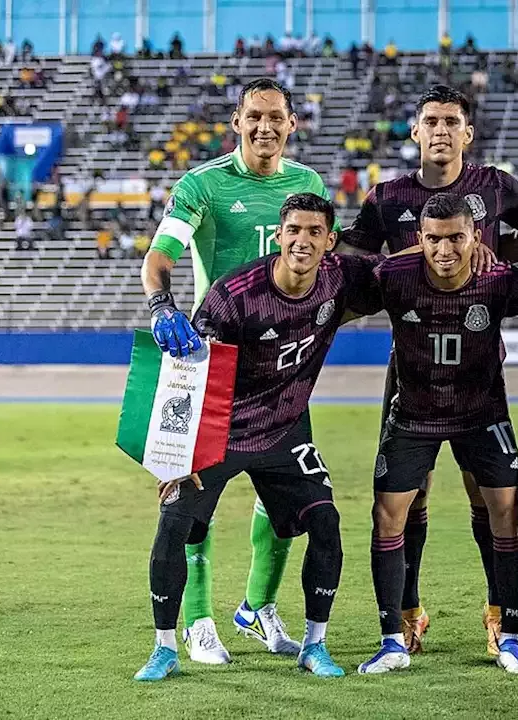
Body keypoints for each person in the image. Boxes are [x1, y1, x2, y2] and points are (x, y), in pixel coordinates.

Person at [133, 193, 383, 681]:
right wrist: (175, 454)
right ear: (279, 234)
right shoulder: (235, 294)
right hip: (219, 429)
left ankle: (316, 645)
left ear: (331, 242)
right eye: (294, 230)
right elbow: (188, 372)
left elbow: (403, 272)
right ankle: (164, 648)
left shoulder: (341, 279)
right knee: (174, 522)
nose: (302, 241)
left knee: (326, 524)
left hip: (285, 430)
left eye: (314, 232)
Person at [338, 84, 518, 657]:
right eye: (432, 120)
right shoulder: (386, 197)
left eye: (453, 120)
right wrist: (394, 260)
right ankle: (408, 611)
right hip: (411, 372)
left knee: (488, 495)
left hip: (479, 370)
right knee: (410, 496)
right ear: (416, 132)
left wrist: (502, 258)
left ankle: (499, 611)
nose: (443, 129)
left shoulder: (497, 186)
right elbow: (350, 257)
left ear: (467, 132)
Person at [140, 78, 334, 667]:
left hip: (282, 372)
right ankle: (198, 621)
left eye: (276, 117)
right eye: (254, 116)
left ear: (292, 123)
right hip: (215, 368)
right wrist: (160, 304)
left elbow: (333, 257)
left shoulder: (309, 185)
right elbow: (160, 255)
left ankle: (258, 606)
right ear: (236, 119)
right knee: (191, 500)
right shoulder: (202, 185)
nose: (265, 127)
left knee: (283, 504)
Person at [356, 193, 518, 677]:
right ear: (420, 240)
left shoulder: (500, 279)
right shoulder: (393, 277)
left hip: (481, 414)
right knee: (388, 516)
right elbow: (340, 286)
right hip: (414, 416)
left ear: (476, 238)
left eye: (455, 238)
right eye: (433, 239)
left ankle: (508, 633)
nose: (444, 250)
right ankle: (393, 637)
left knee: (505, 512)